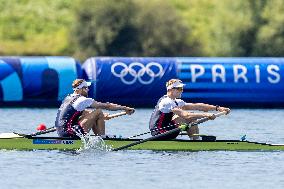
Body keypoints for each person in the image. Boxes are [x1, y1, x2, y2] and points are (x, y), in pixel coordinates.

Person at [149, 79, 230, 140]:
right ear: (171, 89)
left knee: (191, 117)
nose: (182, 91)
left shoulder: (176, 101)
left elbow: (197, 106)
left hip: (168, 130)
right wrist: (206, 115)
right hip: (159, 133)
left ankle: (195, 140)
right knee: (187, 117)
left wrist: (218, 108)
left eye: (182, 89)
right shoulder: (166, 102)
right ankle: (195, 142)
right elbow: (186, 115)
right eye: (179, 89)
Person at [55, 79, 135, 138]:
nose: (88, 90)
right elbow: (108, 106)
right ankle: (102, 138)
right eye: (86, 88)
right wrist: (125, 108)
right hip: (70, 133)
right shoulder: (82, 100)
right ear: (80, 89)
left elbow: (104, 117)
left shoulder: (68, 98)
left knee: (95, 114)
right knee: (98, 111)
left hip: (62, 133)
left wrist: (124, 112)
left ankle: (100, 137)